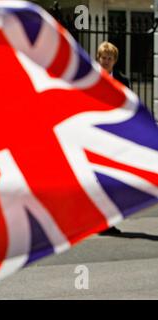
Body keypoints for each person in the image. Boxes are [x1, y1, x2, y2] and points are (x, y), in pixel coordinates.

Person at [97, 41, 128, 236]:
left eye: (110, 58)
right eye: (103, 58)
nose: (106, 61)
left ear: (115, 61)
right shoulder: (88, 78)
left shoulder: (123, 80)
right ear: (98, 59)